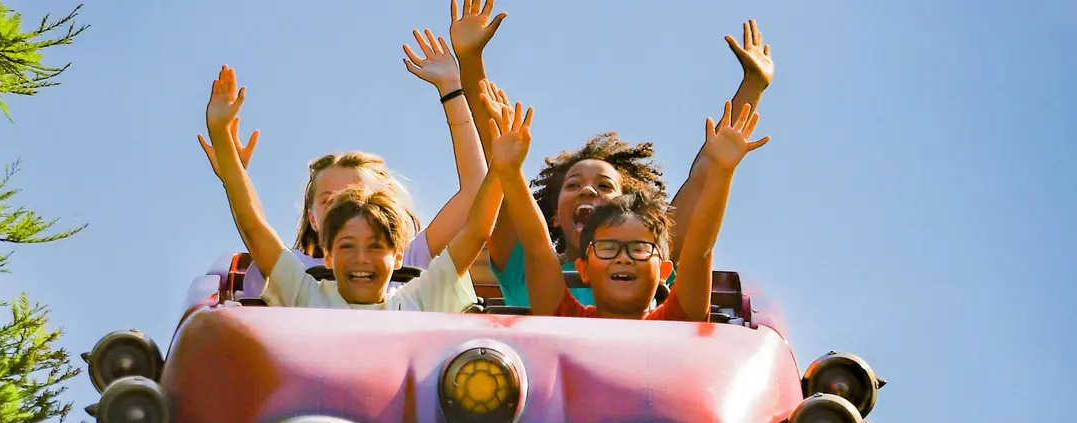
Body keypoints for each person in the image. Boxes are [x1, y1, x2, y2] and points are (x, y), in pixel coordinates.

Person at [448, 0, 775, 306]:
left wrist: (753, 84)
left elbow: (707, 173)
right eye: (573, 185)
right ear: (553, 216)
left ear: (629, 210)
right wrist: (470, 61)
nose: (588, 190)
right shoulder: (527, 267)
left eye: (604, 186)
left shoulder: (650, 260)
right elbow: (499, 159)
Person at [203, 65, 518, 311]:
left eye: (375, 246)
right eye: (347, 246)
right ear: (328, 254)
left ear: (398, 257)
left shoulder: (417, 297)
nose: (361, 258)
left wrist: (501, 168)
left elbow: (477, 230)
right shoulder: (307, 292)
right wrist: (221, 138)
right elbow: (254, 228)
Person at [484, 83, 768, 321]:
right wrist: (510, 172)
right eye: (607, 248)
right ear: (583, 269)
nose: (623, 258)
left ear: (664, 270)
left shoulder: (677, 321)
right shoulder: (564, 317)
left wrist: (722, 173)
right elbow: (537, 247)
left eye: (639, 249)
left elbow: (699, 250)